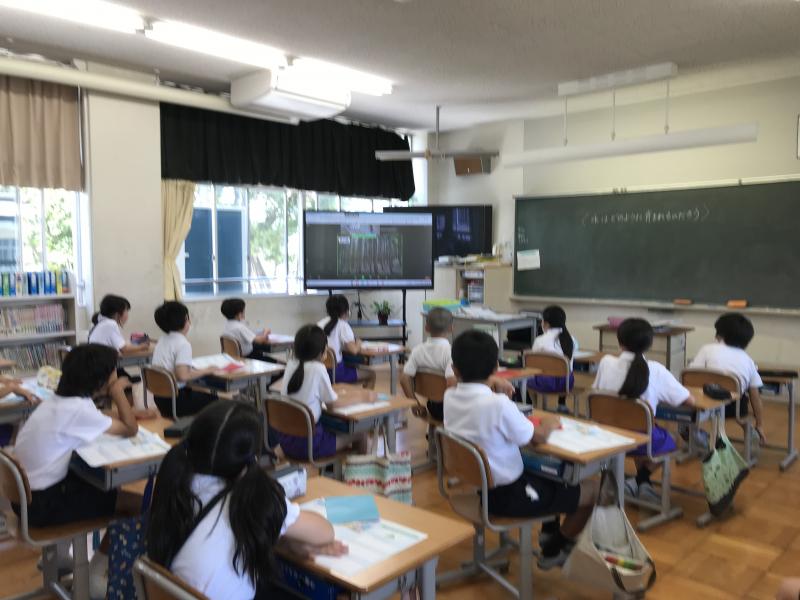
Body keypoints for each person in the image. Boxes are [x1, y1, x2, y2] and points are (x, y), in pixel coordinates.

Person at [147, 400, 346, 600]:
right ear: (252, 460)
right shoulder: (253, 500)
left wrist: (282, 541)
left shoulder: (178, 481)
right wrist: (288, 538)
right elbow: (325, 533)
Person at [444, 330, 597, 570]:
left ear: (454, 369)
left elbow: (462, 388)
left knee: (550, 473)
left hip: (482, 487)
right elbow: (536, 438)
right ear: (496, 367)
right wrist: (549, 422)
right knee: (593, 490)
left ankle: (549, 532)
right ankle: (555, 548)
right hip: (510, 496)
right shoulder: (498, 404)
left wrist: (491, 383)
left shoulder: (449, 397)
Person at [12, 344, 139, 527]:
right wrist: (117, 391)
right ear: (100, 381)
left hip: (24, 498)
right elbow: (130, 429)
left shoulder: (58, 401)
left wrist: (131, 413)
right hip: (41, 505)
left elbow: (98, 415)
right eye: (114, 372)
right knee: (135, 502)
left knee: (105, 486)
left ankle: (109, 544)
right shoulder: (78, 409)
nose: (116, 376)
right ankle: (120, 542)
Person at [592, 318, 695, 503]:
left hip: (606, 436)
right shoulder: (656, 370)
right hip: (639, 441)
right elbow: (689, 401)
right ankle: (640, 479)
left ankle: (641, 484)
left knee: (645, 426)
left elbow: (596, 393)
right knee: (676, 439)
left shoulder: (606, 363)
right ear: (649, 344)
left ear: (619, 340)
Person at [400, 308, 514, 420]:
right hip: (452, 410)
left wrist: (415, 404)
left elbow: (404, 378)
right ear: (451, 328)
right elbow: (451, 383)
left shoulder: (417, 350)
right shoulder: (450, 352)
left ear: (426, 328)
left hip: (433, 407)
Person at [277, 325, 367, 460]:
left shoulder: (291, 364)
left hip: (285, 441)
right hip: (309, 445)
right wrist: (360, 398)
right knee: (360, 433)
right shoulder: (318, 368)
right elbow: (332, 406)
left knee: (328, 425)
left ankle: (332, 469)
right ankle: (359, 472)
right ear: (322, 351)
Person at [690, 312, 766, 444]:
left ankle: (694, 432)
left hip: (704, 406)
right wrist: (760, 424)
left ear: (720, 335)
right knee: (740, 395)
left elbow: (690, 376)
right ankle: (747, 427)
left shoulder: (707, 349)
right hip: (734, 410)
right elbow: (755, 396)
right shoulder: (748, 361)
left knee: (697, 392)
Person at [151, 301, 219, 418]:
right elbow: (183, 376)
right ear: (185, 320)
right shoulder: (183, 344)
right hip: (176, 401)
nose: (189, 322)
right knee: (215, 400)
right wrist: (207, 370)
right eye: (187, 318)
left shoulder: (163, 340)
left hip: (160, 398)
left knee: (198, 392)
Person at [527, 305, 578, 414]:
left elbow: (532, 364)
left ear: (546, 323)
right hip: (567, 384)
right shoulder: (571, 340)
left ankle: (533, 408)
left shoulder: (540, 340)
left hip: (546, 384)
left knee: (524, 379)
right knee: (563, 371)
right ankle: (562, 405)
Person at [318, 295, 375, 389]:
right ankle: (362, 398)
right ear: (346, 311)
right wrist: (359, 342)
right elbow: (354, 350)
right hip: (336, 373)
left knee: (352, 362)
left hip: (320, 372)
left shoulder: (319, 324)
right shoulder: (343, 325)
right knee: (371, 374)